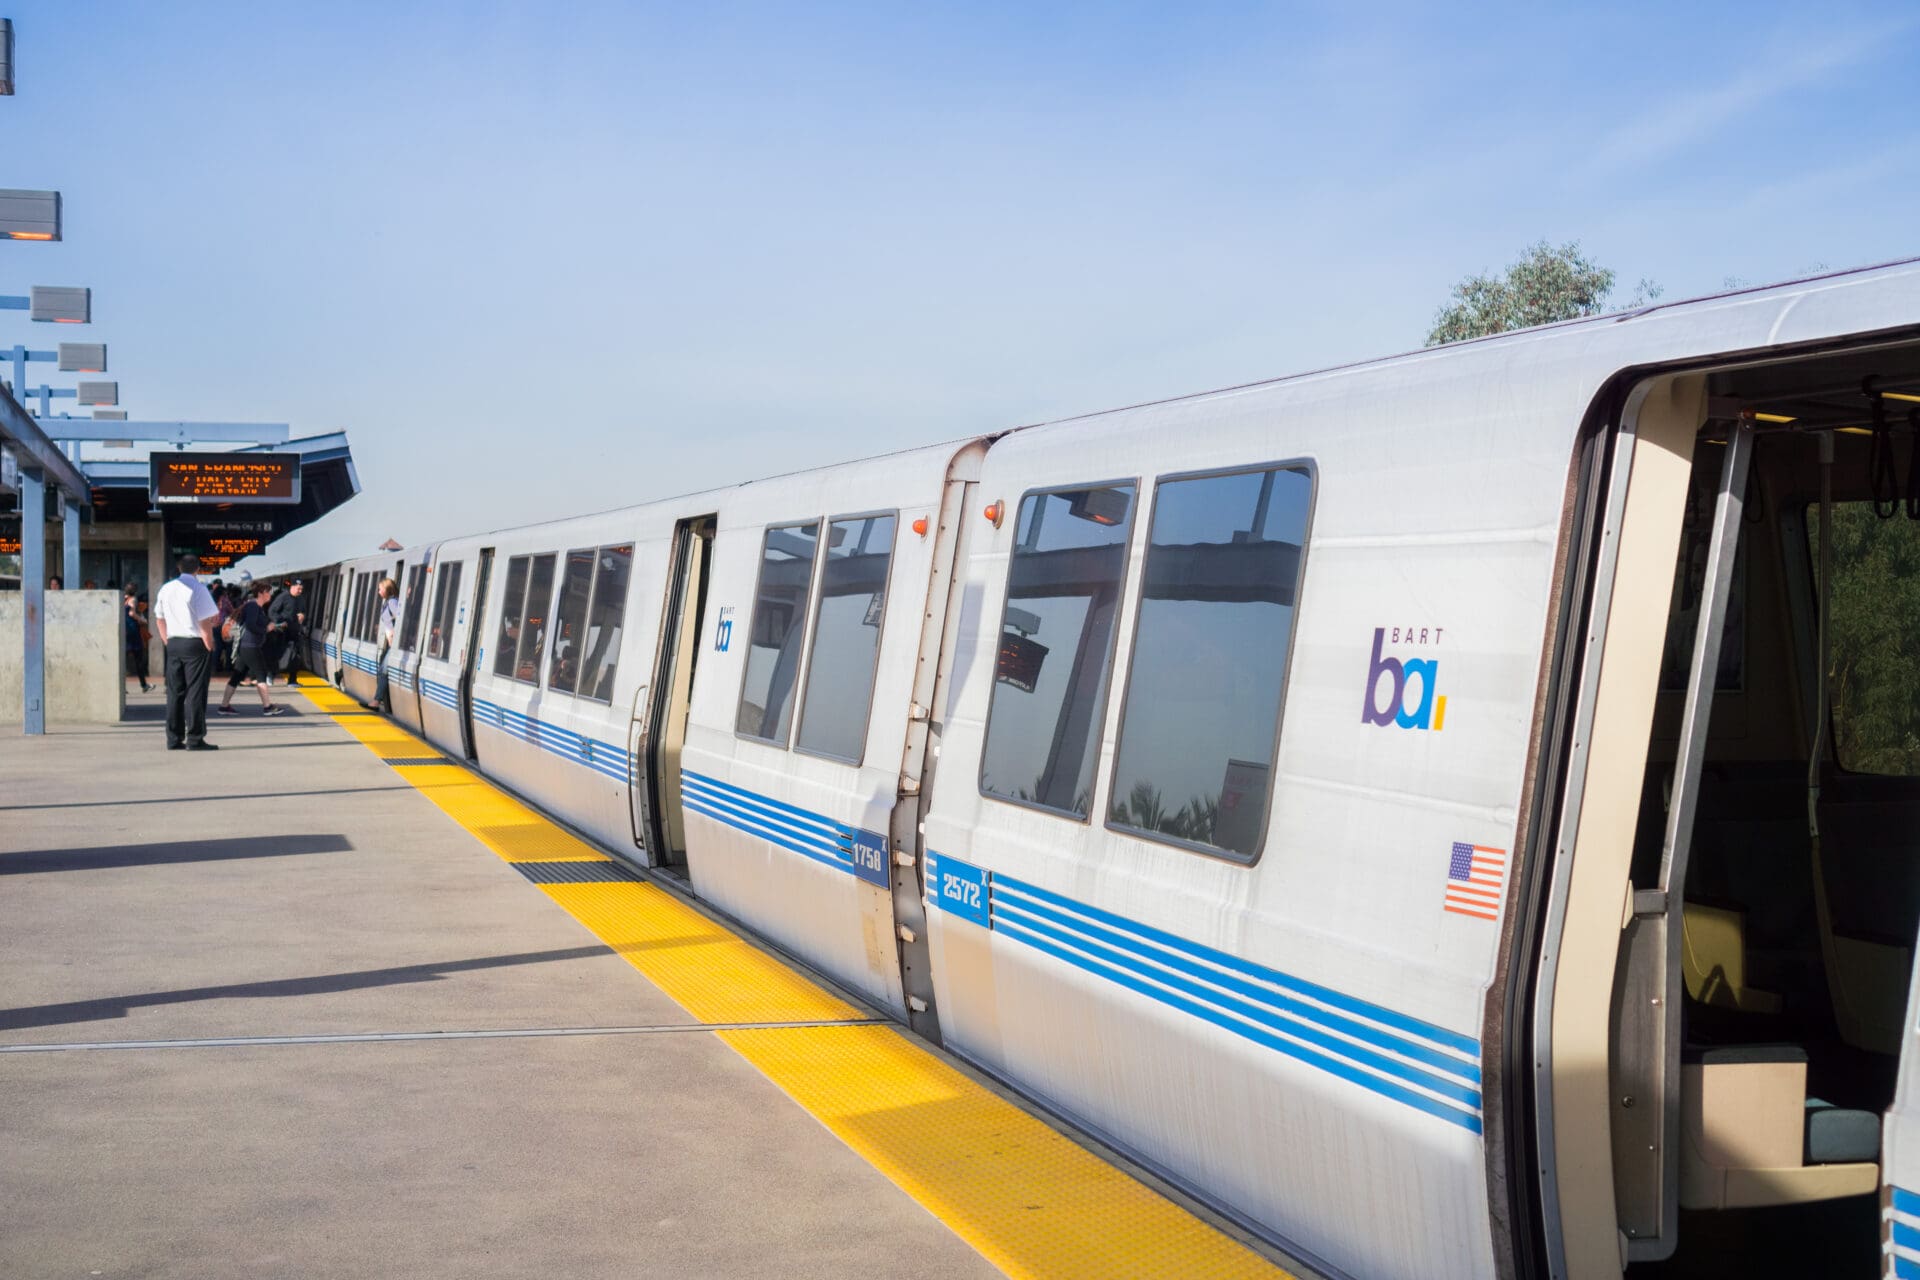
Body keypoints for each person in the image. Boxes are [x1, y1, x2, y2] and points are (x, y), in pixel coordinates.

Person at [153, 554, 220, 750]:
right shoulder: (198, 589)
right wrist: (209, 643)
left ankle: (173, 739)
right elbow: (205, 621)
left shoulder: (166, 588)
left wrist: (167, 640)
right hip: (195, 645)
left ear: (179, 568)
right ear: (197, 569)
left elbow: (159, 618)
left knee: (175, 693)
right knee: (195, 692)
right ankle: (195, 738)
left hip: (174, 644)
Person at [217, 582, 287, 717]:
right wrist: (266, 629)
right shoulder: (253, 607)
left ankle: (224, 706)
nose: (270, 595)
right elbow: (250, 625)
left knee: (236, 676)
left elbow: (256, 623)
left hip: (246, 646)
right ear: (260, 593)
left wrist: (273, 625)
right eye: (268, 592)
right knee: (261, 675)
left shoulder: (255, 607)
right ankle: (267, 707)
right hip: (251, 646)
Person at [365, 577, 400, 712]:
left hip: (394, 643)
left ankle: (377, 701)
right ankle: (379, 700)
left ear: (387, 589)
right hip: (391, 643)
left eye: (380, 589)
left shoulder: (392, 602)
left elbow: (400, 617)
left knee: (384, 670)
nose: (379, 592)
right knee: (382, 669)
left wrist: (393, 633)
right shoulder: (388, 602)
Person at [269, 578, 306, 686]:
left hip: (295, 631)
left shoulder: (301, 599)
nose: (300, 591)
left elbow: (303, 611)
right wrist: (280, 621)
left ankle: (292, 680)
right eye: (298, 589)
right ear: (292, 587)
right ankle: (270, 675)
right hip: (282, 631)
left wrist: (303, 615)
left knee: (296, 656)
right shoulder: (283, 597)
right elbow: (272, 611)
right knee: (278, 654)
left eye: (301, 589)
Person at [123, 588, 151, 693]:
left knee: (123, 660)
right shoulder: (133, 599)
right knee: (138, 658)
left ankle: (122, 686)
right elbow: (131, 613)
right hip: (133, 630)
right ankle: (144, 685)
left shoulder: (124, 599)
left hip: (125, 631)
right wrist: (142, 620)